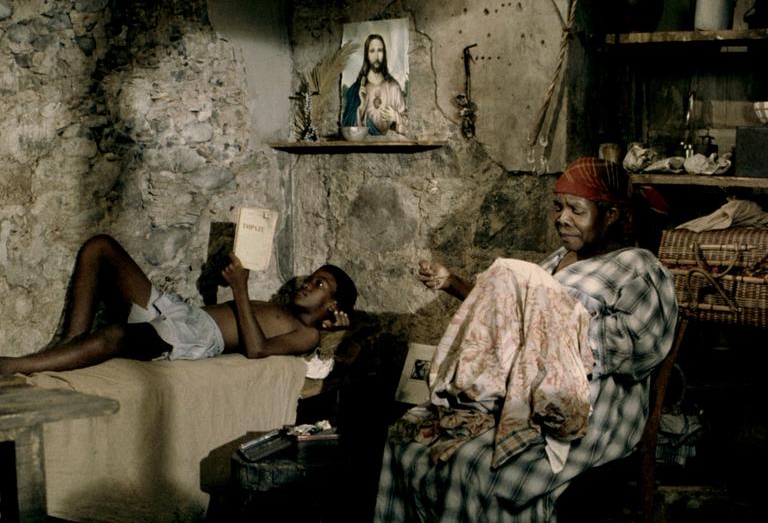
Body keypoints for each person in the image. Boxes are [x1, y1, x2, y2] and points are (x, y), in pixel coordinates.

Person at [374, 157, 679, 522]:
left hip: (585, 415)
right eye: (559, 207)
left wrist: (551, 333)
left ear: (610, 215)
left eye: (576, 210)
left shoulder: (640, 269)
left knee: (476, 468)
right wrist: (453, 282)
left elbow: (640, 348)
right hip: (516, 401)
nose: (562, 218)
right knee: (407, 443)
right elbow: (508, 314)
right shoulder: (560, 259)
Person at [0, 234, 357, 375]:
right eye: (311, 277)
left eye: (319, 284)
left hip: (196, 336)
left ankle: (14, 366)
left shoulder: (305, 334)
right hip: (183, 312)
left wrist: (240, 289)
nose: (308, 283)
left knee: (113, 336)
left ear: (331, 307)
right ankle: (69, 345)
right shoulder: (285, 310)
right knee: (100, 247)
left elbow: (258, 350)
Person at [342, 33, 408, 136]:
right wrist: (362, 107)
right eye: (372, 51)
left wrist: (396, 117)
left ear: (384, 54)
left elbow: (408, 123)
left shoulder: (393, 87)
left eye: (380, 51)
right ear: (367, 55)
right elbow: (346, 125)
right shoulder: (357, 89)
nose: (377, 56)